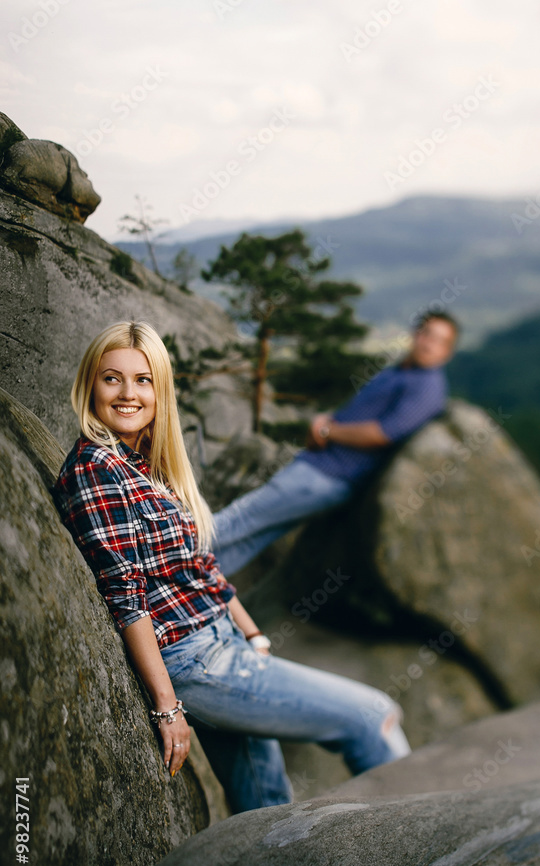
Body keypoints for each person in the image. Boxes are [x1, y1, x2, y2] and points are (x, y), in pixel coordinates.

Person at [52, 321, 411, 815]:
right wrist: (168, 707)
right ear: (90, 385)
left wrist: (252, 633)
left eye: (143, 380)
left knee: (264, 805)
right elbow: (126, 599)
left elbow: (202, 565)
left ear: (160, 390)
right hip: (196, 662)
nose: (128, 393)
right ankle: (413, 846)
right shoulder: (96, 468)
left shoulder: (146, 464)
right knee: (373, 715)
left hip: (224, 642)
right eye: (112, 378)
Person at [212, 310, 459, 575]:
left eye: (439, 341)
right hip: (323, 470)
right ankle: (195, 587)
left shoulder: (426, 386)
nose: (429, 344)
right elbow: (360, 413)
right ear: (416, 334)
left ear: (447, 352)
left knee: (237, 519)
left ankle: (175, 547)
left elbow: (384, 434)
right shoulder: (401, 372)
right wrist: (326, 422)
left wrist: (328, 431)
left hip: (329, 475)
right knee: (251, 536)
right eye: (426, 334)